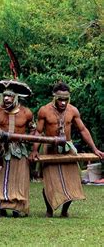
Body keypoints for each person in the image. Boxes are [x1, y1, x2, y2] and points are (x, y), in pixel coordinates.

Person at [30, 81, 104, 217]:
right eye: (60, 99)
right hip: (49, 148)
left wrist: (94, 149)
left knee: (72, 180)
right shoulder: (44, 110)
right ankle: (49, 210)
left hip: (67, 147)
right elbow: (38, 132)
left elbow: (82, 130)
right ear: (54, 97)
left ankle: (64, 211)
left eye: (65, 99)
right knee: (50, 181)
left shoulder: (73, 110)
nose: (63, 103)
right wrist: (35, 150)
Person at [0, 80, 35, 217]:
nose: (6, 99)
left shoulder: (26, 113)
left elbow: (34, 131)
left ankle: (17, 206)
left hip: (18, 149)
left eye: (10, 96)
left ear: (16, 97)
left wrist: (29, 142)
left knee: (17, 178)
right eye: (4, 96)